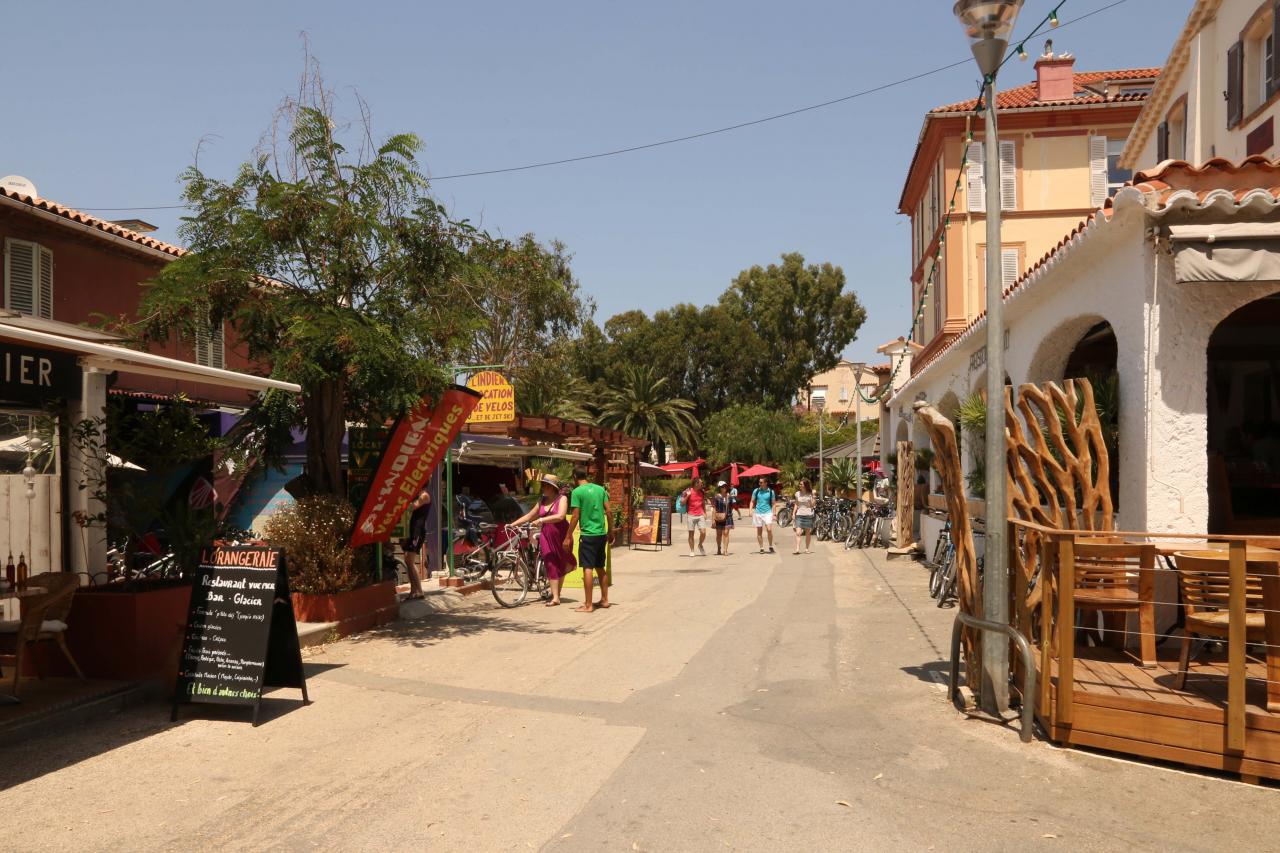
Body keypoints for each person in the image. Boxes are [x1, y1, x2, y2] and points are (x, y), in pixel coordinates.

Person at [513, 474, 575, 606]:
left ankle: (557, 593)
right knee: (551, 562)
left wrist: (541, 520)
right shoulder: (541, 500)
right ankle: (556, 597)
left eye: (546, 485)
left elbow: (561, 516)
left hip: (562, 535)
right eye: (543, 485)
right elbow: (530, 516)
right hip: (546, 536)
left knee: (562, 563)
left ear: (553, 488)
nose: (543, 488)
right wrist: (513, 524)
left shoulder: (562, 498)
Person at [564, 466, 612, 613]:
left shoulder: (577, 492)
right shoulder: (600, 489)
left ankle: (588, 604)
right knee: (600, 567)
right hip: (601, 535)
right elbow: (609, 512)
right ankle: (604, 600)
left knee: (588, 568)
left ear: (574, 477)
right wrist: (611, 532)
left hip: (588, 536)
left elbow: (576, 515)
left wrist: (567, 536)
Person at [401, 487, 432, 599]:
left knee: (409, 560)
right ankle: (413, 591)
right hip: (411, 530)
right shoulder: (417, 495)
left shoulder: (424, 496)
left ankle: (419, 591)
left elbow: (412, 507)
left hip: (417, 531)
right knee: (407, 560)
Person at [682, 477, 709, 557]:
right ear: (696, 484)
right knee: (691, 534)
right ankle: (692, 550)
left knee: (703, 532)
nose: (702, 484)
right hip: (691, 514)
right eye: (701, 483)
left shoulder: (702, 492)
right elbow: (682, 503)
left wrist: (705, 512)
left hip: (700, 514)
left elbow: (703, 503)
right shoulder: (688, 491)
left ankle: (700, 545)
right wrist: (687, 496)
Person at [750, 476, 776, 554]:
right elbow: (752, 501)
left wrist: (774, 514)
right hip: (758, 512)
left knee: (769, 529)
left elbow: (774, 503)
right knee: (759, 531)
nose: (759, 484)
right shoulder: (756, 491)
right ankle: (761, 548)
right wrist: (750, 510)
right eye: (759, 482)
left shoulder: (771, 492)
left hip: (767, 512)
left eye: (761, 482)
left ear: (765, 483)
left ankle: (770, 546)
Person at [792, 478, 816, 554]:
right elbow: (796, 503)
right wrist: (793, 513)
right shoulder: (797, 493)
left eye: (801, 484)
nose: (800, 485)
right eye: (800, 484)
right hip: (799, 515)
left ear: (805, 485)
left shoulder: (810, 494)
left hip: (808, 515)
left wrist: (814, 496)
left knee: (807, 533)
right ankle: (797, 549)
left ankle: (807, 549)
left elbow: (813, 505)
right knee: (798, 532)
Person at [713, 481, 735, 556]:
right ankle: (719, 547)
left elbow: (731, 507)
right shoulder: (716, 497)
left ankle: (725, 550)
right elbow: (714, 508)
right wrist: (713, 519)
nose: (724, 488)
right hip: (719, 517)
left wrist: (728, 514)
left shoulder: (730, 497)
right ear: (720, 488)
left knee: (726, 533)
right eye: (722, 487)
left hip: (728, 517)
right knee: (719, 534)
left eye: (725, 486)